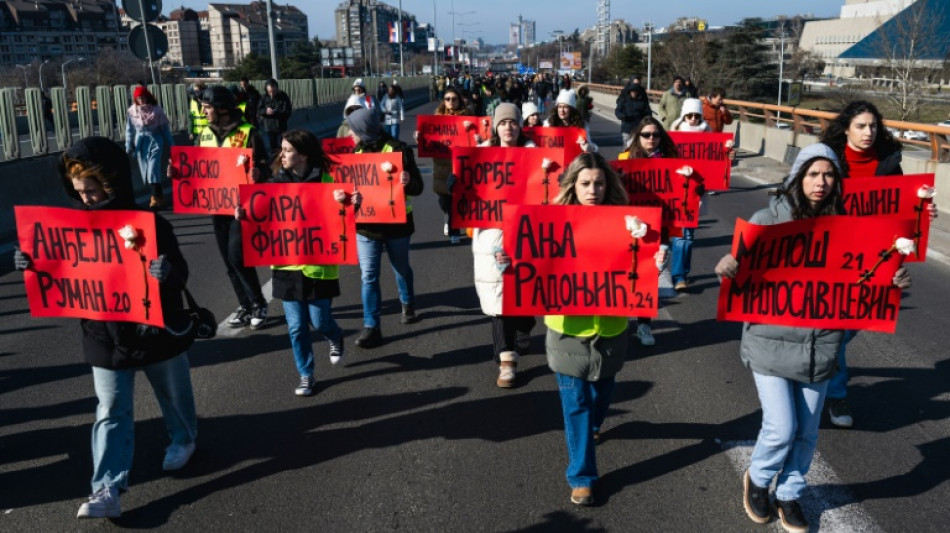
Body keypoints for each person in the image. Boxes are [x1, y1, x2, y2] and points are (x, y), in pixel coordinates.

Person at [715, 143, 912, 532]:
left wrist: (893, 282)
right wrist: (728, 266)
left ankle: (789, 494)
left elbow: (863, 283)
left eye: (828, 175)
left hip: (820, 346)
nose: (820, 182)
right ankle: (757, 478)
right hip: (770, 342)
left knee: (806, 431)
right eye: (812, 174)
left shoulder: (851, 229)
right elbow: (739, 269)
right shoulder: (766, 219)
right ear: (797, 178)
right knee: (781, 427)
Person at [16, 137, 198, 519]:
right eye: (79, 192)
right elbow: (62, 270)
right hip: (104, 333)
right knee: (111, 409)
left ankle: (184, 439)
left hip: (154, 329)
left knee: (173, 396)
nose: (86, 200)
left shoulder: (151, 224)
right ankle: (107, 488)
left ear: (112, 183)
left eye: (93, 192)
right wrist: (31, 262)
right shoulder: (71, 229)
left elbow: (181, 271)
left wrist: (166, 272)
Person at [818, 100, 937, 428]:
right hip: (833, 256)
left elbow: (899, 209)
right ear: (846, 129)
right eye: (860, 126)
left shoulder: (888, 163)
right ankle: (836, 395)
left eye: (873, 126)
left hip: (874, 258)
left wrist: (922, 213)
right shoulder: (827, 159)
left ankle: (823, 373)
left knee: (853, 323)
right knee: (837, 330)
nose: (868, 132)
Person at [528, 153, 635, 506]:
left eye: (599, 183)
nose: (593, 190)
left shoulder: (627, 221)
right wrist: (511, 259)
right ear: (573, 184)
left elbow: (639, 263)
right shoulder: (553, 221)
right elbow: (535, 259)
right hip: (567, 328)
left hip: (610, 326)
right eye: (585, 183)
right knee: (576, 402)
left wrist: (654, 257)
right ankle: (582, 475)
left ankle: (593, 428)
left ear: (609, 185)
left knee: (601, 395)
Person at [262, 130, 348, 396]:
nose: (282, 154)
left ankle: (335, 336)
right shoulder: (276, 184)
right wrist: (245, 213)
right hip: (287, 266)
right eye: (282, 149)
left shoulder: (327, 182)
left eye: (288, 150)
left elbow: (343, 220)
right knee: (297, 327)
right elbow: (263, 218)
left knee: (320, 321)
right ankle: (306, 374)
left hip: (318, 266)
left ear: (304, 155)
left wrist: (348, 204)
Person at [346, 108, 424, 348]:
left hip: (396, 225)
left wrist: (408, 181)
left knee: (400, 269)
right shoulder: (354, 155)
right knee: (368, 276)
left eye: (353, 128)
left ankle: (407, 303)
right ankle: (372, 326)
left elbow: (418, 187)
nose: (349, 133)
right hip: (366, 227)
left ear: (364, 129)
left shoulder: (398, 149)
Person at [195, 86, 271, 330]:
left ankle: (259, 303)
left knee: (237, 257)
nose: (203, 111)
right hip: (217, 205)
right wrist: (177, 172)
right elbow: (199, 167)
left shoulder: (249, 133)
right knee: (228, 261)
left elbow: (265, 167)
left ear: (222, 109)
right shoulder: (204, 134)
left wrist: (259, 172)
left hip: (242, 206)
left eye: (207, 107)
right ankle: (245, 305)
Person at [472, 103, 537, 387]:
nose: (507, 127)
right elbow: (468, 192)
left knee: (523, 292)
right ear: (495, 127)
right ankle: (506, 361)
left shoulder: (536, 156)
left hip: (527, 232)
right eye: (502, 123)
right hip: (492, 235)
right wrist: (456, 184)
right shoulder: (482, 157)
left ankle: (524, 326)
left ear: (519, 126)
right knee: (499, 296)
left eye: (512, 122)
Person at [618, 116, 679, 345]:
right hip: (629, 227)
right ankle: (621, 320)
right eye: (646, 135)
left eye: (655, 135)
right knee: (626, 275)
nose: (651, 139)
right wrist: (619, 179)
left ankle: (644, 325)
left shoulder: (671, 162)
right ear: (638, 137)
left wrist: (692, 182)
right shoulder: (624, 160)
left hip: (657, 229)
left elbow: (691, 191)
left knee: (647, 277)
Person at [668, 99, 710, 292]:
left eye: (696, 116)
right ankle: (678, 276)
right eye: (689, 115)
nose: (693, 119)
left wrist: (729, 155)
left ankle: (683, 272)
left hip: (696, 192)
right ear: (684, 115)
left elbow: (714, 168)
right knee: (681, 236)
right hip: (677, 193)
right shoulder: (673, 135)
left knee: (688, 236)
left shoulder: (709, 136)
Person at [417, 86, 468, 244]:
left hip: (459, 166)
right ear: (443, 102)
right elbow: (428, 142)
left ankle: (455, 232)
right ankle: (447, 216)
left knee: (455, 200)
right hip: (441, 165)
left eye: (454, 99)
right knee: (444, 201)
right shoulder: (436, 120)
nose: (451, 102)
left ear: (459, 100)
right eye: (448, 99)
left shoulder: (467, 118)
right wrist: (420, 138)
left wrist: (471, 131)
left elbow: (477, 139)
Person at [125, 85, 173, 210]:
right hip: (140, 143)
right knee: (146, 171)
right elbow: (129, 130)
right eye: (139, 98)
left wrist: (173, 145)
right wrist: (128, 144)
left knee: (152, 169)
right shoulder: (132, 111)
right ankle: (160, 195)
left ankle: (154, 198)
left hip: (156, 141)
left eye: (143, 97)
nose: (141, 100)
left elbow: (165, 130)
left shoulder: (157, 110)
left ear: (148, 97)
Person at [257, 78, 292, 155]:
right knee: (273, 148)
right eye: (270, 92)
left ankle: (284, 161)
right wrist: (266, 111)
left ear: (276, 88)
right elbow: (259, 110)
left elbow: (288, 110)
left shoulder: (283, 96)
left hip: (281, 125)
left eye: (273, 91)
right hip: (269, 126)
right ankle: (275, 162)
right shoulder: (264, 98)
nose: (272, 94)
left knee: (284, 145)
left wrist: (277, 112)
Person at [616, 82, 651, 149]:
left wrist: (647, 121)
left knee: (637, 147)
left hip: (638, 128)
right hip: (627, 128)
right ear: (630, 92)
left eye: (635, 92)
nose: (633, 93)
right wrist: (622, 116)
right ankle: (626, 159)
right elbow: (618, 111)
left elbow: (648, 113)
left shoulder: (642, 102)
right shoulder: (624, 100)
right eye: (632, 92)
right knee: (627, 147)